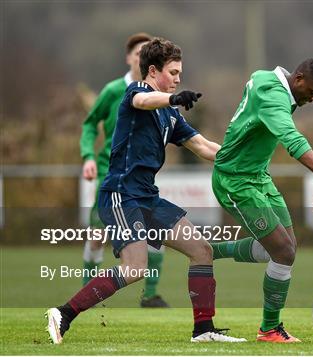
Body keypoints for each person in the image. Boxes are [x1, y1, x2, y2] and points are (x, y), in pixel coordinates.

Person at [46, 37, 246, 344]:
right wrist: (173, 98)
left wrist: (243, 159)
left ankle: (203, 330)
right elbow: (145, 102)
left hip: (147, 197)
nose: (179, 78)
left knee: (201, 251)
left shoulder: (171, 114)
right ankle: (64, 313)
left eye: (180, 73)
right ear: (152, 71)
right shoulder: (136, 92)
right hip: (120, 194)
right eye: (173, 72)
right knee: (136, 267)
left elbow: (204, 147)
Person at [210, 59, 313, 342]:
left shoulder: (266, 79)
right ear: (298, 78)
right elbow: (290, 138)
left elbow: (256, 87)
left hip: (259, 178)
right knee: (284, 252)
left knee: (283, 250)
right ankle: (269, 328)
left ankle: (212, 250)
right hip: (236, 181)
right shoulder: (274, 96)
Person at [79, 32, 169, 308]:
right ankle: (87, 294)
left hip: (140, 180)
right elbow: (90, 124)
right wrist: (88, 157)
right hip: (111, 175)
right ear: (129, 58)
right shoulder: (114, 90)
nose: (142, 57)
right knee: (97, 238)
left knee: (157, 233)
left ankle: (150, 295)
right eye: (138, 52)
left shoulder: (159, 95)